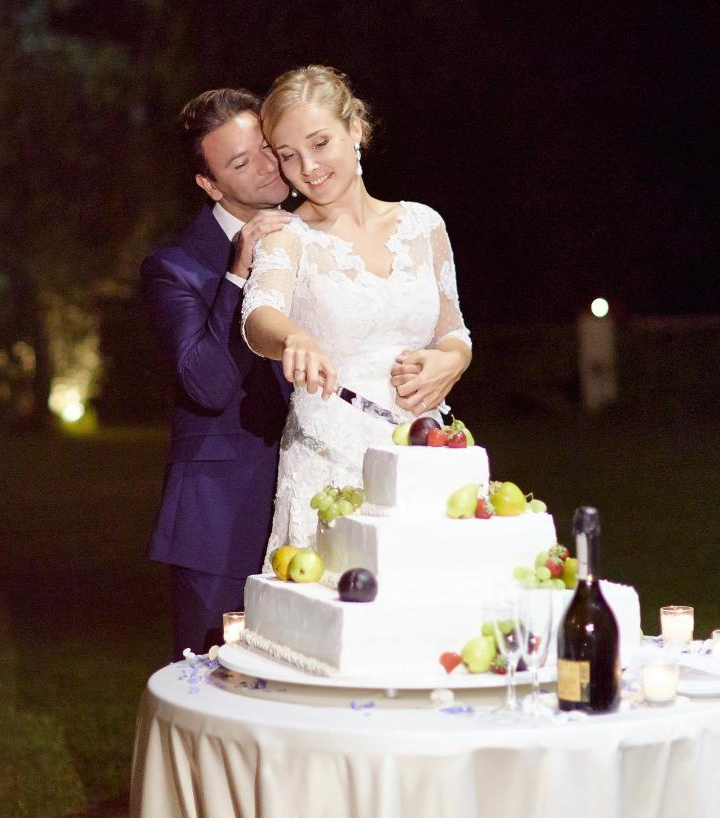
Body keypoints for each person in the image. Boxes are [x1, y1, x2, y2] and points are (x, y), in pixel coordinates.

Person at [242, 65, 472, 560]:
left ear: (356, 130)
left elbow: (453, 331)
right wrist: (292, 338)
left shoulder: (424, 224)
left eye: (320, 143)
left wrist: (454, 360)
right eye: (289, 155)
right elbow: (258, 315)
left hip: (422, 454)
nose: (308, 167)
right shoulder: (288, 235)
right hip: (330, 461)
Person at [141, 88, 292, 658]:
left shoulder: (317, 237)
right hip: (222, 518)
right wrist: (239, 274)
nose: (266, 165)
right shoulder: (173, 268)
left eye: (264, 147)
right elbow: (205, 384)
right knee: (218, 683)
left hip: (315, 499)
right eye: (239, 162)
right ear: (210, 185)